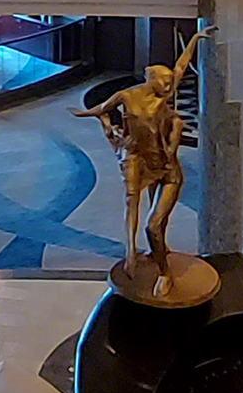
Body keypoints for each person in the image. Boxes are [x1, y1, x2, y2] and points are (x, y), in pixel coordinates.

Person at [74, 24, 213, 291]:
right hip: (140, 159)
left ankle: (164, 273)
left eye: (171, 83)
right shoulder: (127, 97)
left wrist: (195, 38)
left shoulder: (163, 98)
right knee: (133, 200)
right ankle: (132, 251)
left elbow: (181, 66)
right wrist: (96, 120)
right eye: (165, 81)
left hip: (168, 170)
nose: (169, 86)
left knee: (154, 226)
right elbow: (102, 108)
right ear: (152, 79)